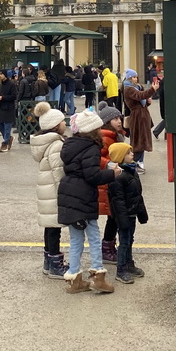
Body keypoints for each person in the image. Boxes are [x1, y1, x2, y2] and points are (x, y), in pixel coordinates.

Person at [57, 110, 117, 294]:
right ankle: (98, 277)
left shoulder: (70, 145)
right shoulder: (90, 147)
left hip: (69, 193)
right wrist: (112, 173)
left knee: (76, 240)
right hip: (83, 195)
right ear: (92, 130)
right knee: (93, 236)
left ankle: (75, 280)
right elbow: (92, 175)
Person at [31, 102, 68, 279]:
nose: (65, 124)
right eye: (62, 121)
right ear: (55, 126)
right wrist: (66, 191)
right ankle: (55, 264)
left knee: (49, 227)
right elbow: (58, 171)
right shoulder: (57, 145)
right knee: (55, 228)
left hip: (46, 191)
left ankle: (48, 261)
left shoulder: (45, 143)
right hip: (53, 192)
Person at [106, 141, 148, 284]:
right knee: (124, 242)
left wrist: (141, 212)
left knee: (130, 240)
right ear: (121, 157)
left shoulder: (132, 171)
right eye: (129, 153)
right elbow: (118, 202)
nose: (132, 154)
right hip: (125, 216)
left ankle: (129, 264)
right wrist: (122, 220)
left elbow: (137, 194)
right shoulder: (119, 177)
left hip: (132, 213)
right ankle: (121, 269)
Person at [96, 102, 125, 264]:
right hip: (108, 182)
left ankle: (109, 246)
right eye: (114, 119)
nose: (119, 121)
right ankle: (107, 248)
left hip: (114, 179)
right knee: (113, 215)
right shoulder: (106, 137)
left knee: (114, 216)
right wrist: (111, 164)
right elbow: (98, 157)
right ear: (107, 122)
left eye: (119, 117)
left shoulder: (116, 135)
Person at [122, 69, 159, 172]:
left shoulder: (136, 87)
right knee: (138, 141)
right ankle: (133, 163)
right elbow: (140, 96)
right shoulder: (128, 89)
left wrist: (148, 102)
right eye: (133, 77)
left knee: (141, 141)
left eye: (136, 76)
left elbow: (141, 100)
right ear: (129, 78)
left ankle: (139, 163)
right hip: (137, 117)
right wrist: (152, 89)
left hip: (141, 116)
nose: (136, 78)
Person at [0, 71, 17, 152]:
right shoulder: (1, 85)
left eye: (1, 74)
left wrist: (2, 98)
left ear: (6, 75)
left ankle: (5, 143)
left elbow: (14, 96)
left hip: (9, 108)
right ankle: (8, 138)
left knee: (7, 126)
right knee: (0, 125)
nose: (0, 76)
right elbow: (1, 94)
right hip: (1, 107)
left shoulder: (12, 84)